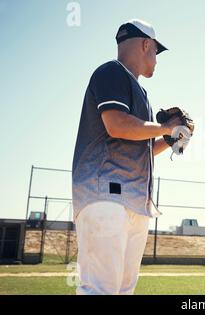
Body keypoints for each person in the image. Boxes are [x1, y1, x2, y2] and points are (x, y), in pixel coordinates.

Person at [72, 19, 184, 295]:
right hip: (104, 196)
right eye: (156, 52)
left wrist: (171, 139)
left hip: (133, 200)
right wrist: (166, 127)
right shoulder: (112, 72)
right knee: (100, 289)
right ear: (146, 44)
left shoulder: (140, 91)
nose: (156, 60)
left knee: (123, 290)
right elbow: (117, 125)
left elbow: (141, 146)